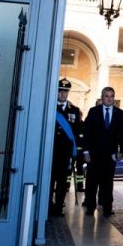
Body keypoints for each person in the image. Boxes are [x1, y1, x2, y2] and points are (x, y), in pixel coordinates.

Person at [82, 86, 123, 217]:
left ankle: (107, 207)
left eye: (111, 96)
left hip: (110, 155)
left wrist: (121, 151)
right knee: (92, 181)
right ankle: (90, 206)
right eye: (106, 96)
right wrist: (86, 151)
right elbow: (87, 132)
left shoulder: (119, 113)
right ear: (102, 97)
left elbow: (122, 134)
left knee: (108, 182)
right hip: (94, 154)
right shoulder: (94, 111)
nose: (109, 99)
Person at [50, 79, 82, 217]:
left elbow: (77, 133)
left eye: (66, 92)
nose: (63, 94)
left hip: (66, 153)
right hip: (51, 151)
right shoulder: (50, 107)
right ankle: (47, 206)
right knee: (49, 181)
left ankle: (58, 206)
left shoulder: (74, 110)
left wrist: (76, 152)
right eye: (61, 91)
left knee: (62, 182)